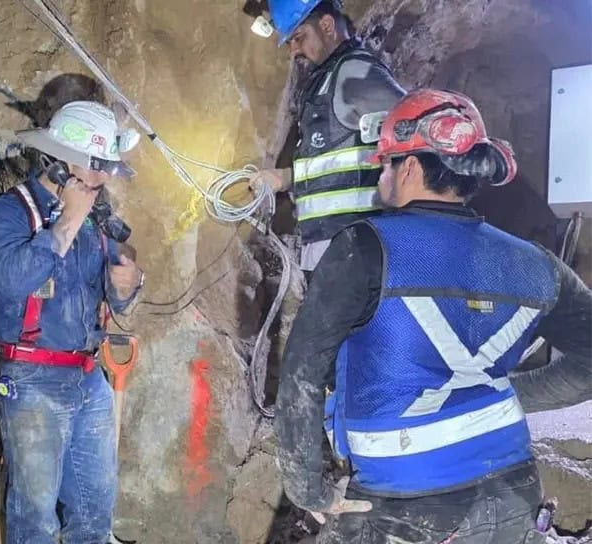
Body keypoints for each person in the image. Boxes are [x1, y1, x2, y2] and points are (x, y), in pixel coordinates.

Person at [274, 89, 592, 543]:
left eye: (385, 163)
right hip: (513, 496)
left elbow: (301, 374)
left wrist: (310, 489)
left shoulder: (365, 248)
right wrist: (500, 394)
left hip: (405, 507)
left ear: (410, 167)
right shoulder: (537, 264)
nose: (380, 173)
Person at [0, 100, 144, 543]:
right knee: (35, 519)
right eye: (93, 166)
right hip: (31, 381)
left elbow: (114, 298)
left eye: (106, 167)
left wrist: (128, 284)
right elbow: (14, 280)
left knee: (94, 513)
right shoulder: (8, 213)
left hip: (89, 378)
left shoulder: (98, 219)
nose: (102, 178)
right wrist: (68, 221)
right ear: (55, 161)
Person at [251, 0, 406, 274]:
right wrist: (285, 178)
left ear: (327, 26)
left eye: (298, 38)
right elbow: (336, 161)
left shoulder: (356, 73)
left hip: (354, 243)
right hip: (330, 244)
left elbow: (412, 127)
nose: (294, 50)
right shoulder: (328, 79)